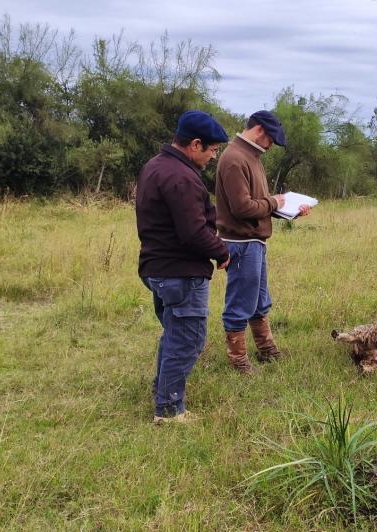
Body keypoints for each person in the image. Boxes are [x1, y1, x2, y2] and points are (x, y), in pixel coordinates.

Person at [136, 110, 231, 424]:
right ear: (195, 144)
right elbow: (193, 232)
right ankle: (168, 410)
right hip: (179, 272)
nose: (213, 156)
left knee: (174, 335)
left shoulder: (156, 166)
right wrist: (222, 252)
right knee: (188, 340)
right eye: (212, 150)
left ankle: (161, 389)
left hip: (158, 269)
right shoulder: (181, 176)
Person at [215, 110, 311, 373]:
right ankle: (238, 360)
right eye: (271, 139)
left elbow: (257, 204)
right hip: (241, 243)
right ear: (259, 130)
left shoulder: (251, 157)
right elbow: (242, 208)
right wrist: (274, 202)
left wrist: (288, 210)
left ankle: (266, 349)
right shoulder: (235, 159)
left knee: (258, 301)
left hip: (253, 242)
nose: (271, 146)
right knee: (240, 302)